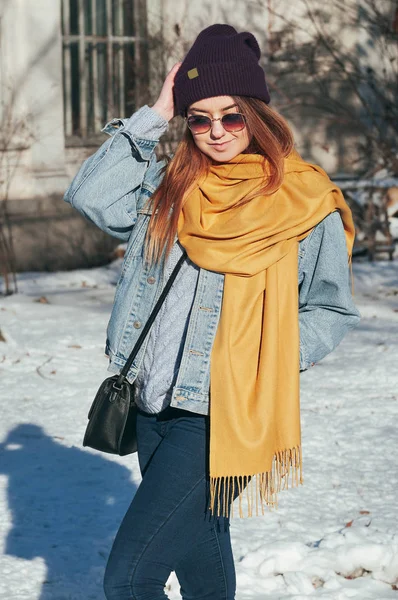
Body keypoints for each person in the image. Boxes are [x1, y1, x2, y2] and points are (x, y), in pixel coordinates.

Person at [64, 23, 361, 600]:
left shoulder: (303, 198)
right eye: (199, 118)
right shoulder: (172, 184)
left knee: (128, 577)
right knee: (202, 553)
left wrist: (265, 360)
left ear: (257, 114)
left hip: (225, 410)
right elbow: (91, 196)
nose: (216, 132)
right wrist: (156, 111)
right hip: (151, 401)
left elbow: (330, 308)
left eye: (231, 116)